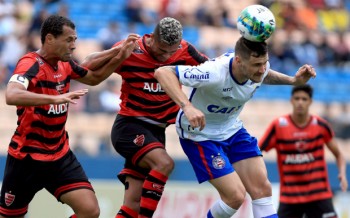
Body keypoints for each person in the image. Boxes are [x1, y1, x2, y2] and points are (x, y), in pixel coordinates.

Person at [154, 37, 317, 218]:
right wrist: (187, 106)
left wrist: (294, 80)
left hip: (232, 129)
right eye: (257, 65)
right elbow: (163, 73)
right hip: (200, 135)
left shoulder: (258, 69)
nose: (262, 69)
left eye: (265, 63)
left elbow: (265, 74)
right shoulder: (213, 72)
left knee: (262, 189)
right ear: (238, 61)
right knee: (235, 197)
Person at [0, 15, 139, 218]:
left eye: (74, 40)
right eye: (69, 40)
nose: (74, 45)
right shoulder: (30, 64)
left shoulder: (65, 64)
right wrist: (54, 99)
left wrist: (120, 56)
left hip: (59, 155)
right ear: (49, 39)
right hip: (26, 159)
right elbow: (11, 95)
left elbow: (93, 78)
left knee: (90, 211)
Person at [86, 17, 208, 218]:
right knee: (164, 164)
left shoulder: (185, 50)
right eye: (161, 51)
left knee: (133, 205)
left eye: (171, 51)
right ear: (152, 38)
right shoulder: (132, 49)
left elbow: (212, 70)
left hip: (157, 132)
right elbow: (86, 65)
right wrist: (117, 52)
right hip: (130, 126)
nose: (166, 56)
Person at [258, 84, 348, 218]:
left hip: (319, 195)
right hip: (290, 198)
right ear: (291, 100)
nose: (300, 102)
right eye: (297, 98)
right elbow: (257, 151)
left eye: (304, 99)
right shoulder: (278, 126)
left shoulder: (321, 125)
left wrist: (342, 174)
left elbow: (339, 155)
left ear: (310, 102)